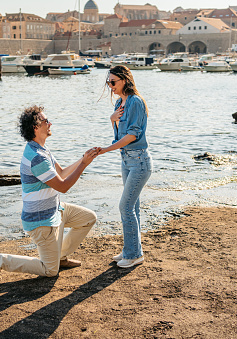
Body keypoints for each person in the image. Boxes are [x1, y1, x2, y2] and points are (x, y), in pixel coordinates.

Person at [0, 105, 100, 282]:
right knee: (50, 270)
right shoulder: (37, 157)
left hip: (55, 210)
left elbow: (60, 173)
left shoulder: (41, 149)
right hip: (41, 220)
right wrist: (84, 165)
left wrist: (83, 158)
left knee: (88, 218)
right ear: (35, 127)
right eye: (46, 121)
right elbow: (63, 186)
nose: (50, 123)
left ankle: (60, 256)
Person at [99, 65, 152, 268]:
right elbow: (119, 134)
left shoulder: (136, 102)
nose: (110, 86)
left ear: (125, 80)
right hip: (126, 160)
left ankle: (134, 254)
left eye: (113, 82)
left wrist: (105, 149)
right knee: (133, 207)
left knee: (125, 206)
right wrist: (112, 120)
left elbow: (132, 136)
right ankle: (131, 250)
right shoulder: (119, 104)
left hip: (139, 161)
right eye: (108, 82)